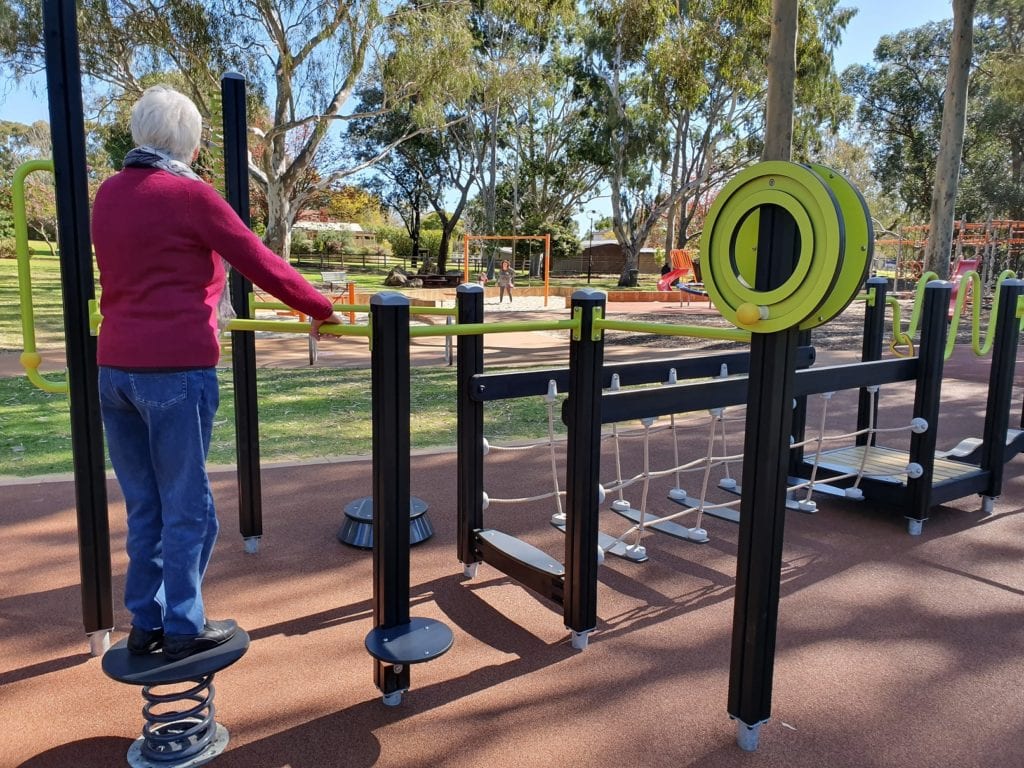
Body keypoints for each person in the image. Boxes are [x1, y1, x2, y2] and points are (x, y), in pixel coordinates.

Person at [91, 85, 342, 661]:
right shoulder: (189, 195)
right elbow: (259, 260)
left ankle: (146, 622)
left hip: (115, 370)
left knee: (144, 504)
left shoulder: (108, 194)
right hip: (175, 369)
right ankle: (183, 623)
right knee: (188, 506)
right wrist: (320, 308)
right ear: (191, 142)